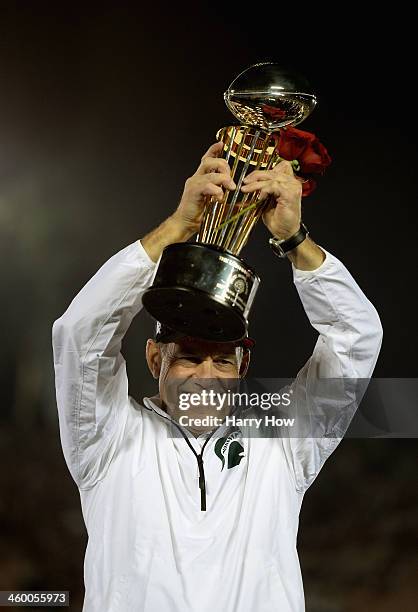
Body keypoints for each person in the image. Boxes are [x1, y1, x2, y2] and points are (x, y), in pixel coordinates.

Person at [52, 142, 383, 612]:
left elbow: (357, 337)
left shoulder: (285, 443)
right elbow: (78, 336)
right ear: (153, 360)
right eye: (188, 357)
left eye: (223, 361)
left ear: (243, 366)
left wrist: (293, 240)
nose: (207, 376)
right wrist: (176, 229)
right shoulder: (107, 439)